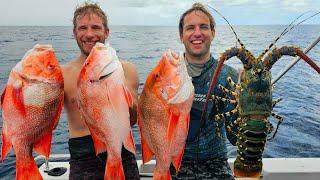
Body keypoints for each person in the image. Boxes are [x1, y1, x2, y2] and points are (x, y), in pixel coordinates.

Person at [62, 2, 140, 180]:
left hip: (122, 153)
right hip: (83, 158)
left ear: (106, 32)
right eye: (83, 28)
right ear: (74, 33)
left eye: (96, 27)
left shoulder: (127, 70)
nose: (89, 34)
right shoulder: (62, 74)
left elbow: (134, 120)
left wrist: (124, 101)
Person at [170, 3, 239, 179]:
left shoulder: (228, 75)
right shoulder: (167, 74)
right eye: (190, 28)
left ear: (213, 33)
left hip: (216, 163)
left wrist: (250, 105)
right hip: (174, 162)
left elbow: (236, 138)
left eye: (204, 27)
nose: (197, 33)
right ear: (181, 35)